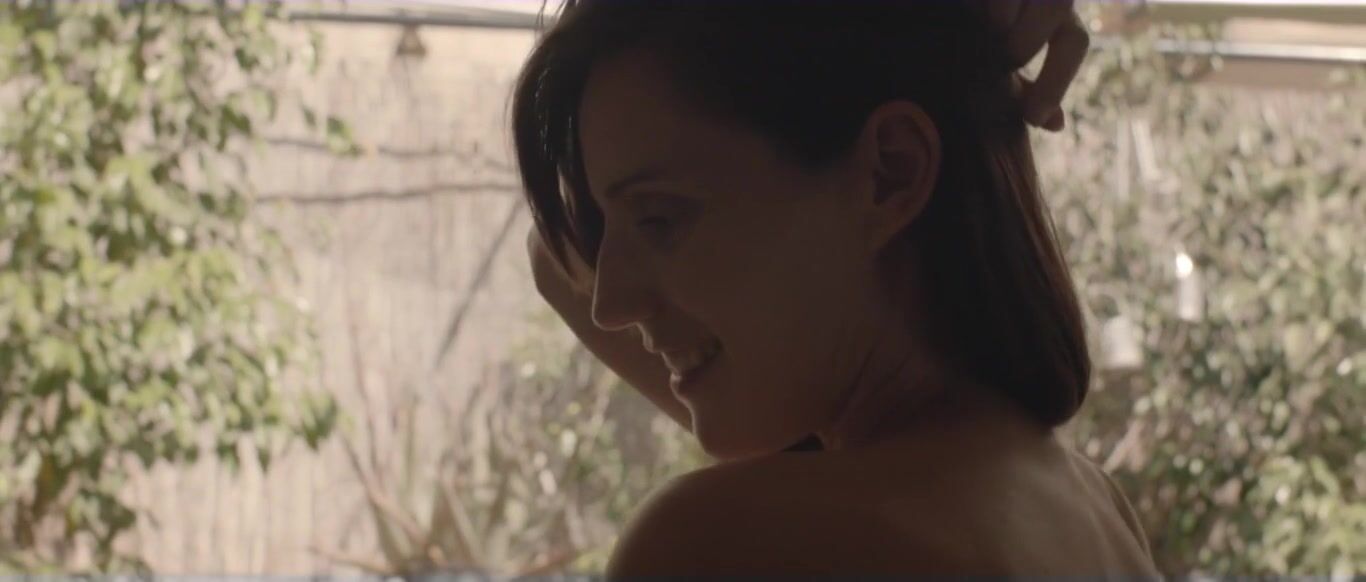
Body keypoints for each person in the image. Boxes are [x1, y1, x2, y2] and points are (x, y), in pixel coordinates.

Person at [514, 0, 1160, 577]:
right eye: (604, 226)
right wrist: (946, 50)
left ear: (890, 173)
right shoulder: (1093, 509)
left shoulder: (722, 549)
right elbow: (553, 259)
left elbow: (550, 260)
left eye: (658, 218)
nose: (609, 305)